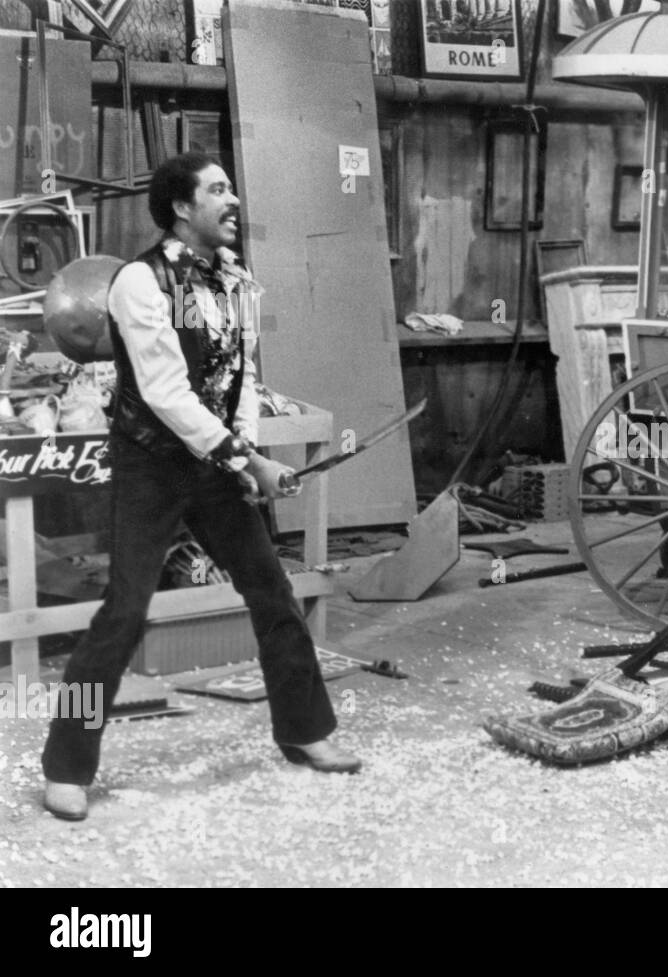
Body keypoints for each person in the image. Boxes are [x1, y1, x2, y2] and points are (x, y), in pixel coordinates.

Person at [42, 153, 360, 822]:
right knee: (123, 611)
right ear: (182, 208)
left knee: (272, 590)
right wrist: (243, 456)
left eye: (231, 188)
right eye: (218, 190)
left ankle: (305, 729)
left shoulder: (236, 282)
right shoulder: (138, 281)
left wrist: (244, 463)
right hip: (152, 464)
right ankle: (64, 764)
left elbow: (237, 381)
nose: (233, 199)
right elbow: (165, 393)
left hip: (214, 462)